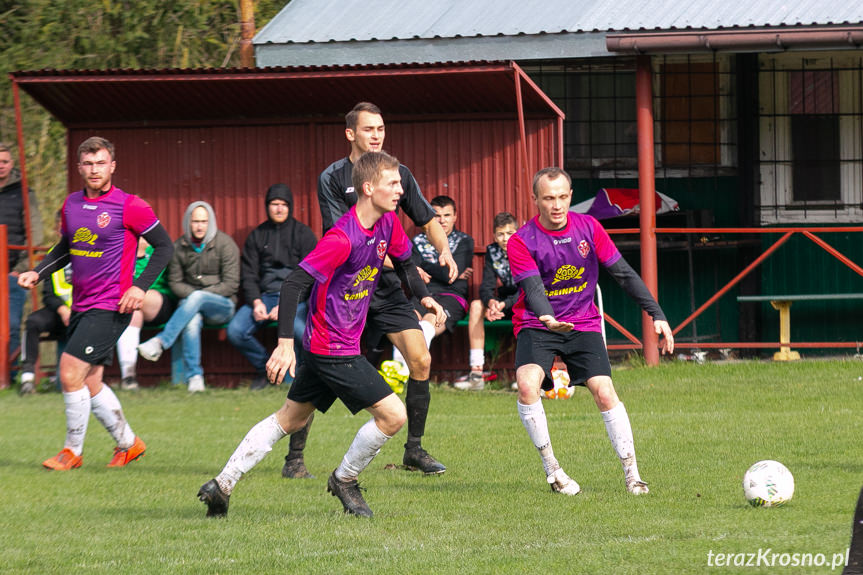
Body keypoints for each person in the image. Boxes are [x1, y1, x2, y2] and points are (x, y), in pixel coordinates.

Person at [197, 151, 445, 518]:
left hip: (327, 345)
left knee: (290, 418)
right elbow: (293, 283)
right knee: (392, 415)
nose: (400, 189)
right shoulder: (342, 237)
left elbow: (406, 263)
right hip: (333, 348)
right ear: (367, 187)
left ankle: (222, 484)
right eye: (393, 183)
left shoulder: (388, 225)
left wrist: (425, 297)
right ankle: (344, 480)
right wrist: (284, 345)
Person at [279, 101, 458, 478]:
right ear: (350, 134)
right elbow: (346, 244)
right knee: (318, 370)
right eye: (368, 129)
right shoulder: (332, 177)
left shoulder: (398, 174)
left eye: (380, 129)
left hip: (387, 289)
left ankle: (414, 450)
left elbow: (427, 220)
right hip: (344, 293)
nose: (376, 135)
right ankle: (294, 459)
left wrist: (443, 249)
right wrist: (401, 261)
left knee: (421, 359)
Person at [509, 167, 674, 496]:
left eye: (562, 197)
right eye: (548, 198)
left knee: (604, 391)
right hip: (537, 324)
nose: (556, 205)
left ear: (570, 196)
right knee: (527, 386)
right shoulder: (521, 240)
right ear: (536, 200)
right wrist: (546, 317)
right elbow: (534, 288)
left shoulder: (589, 228)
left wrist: (657, 314)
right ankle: (553, 471)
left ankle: (632, 475)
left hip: (583, 323)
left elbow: (623, 274)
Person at [17, 136, 173, 470]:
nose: (94, 170)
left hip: (112, 306)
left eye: (100, 163)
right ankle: (129, 444)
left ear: (112, 166)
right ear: (79, 168)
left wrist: (140, 287)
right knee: (89, 381)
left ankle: (71, 452)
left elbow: (164, 247)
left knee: (69, 371)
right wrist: (37, 272)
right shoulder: (72, 204)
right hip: (81, 305)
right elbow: (64, 250)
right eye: (88, 164)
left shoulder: (130, 205)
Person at [137, 201, 239, 392]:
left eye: (204, 221)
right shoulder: (179, 246)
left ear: (211, 223)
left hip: (222, 306)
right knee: (191, 320)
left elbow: (231, 284)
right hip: (191, 308)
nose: (199, 226)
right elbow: (174, 282)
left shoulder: (225, 244)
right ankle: (195, 377)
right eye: (195, 221)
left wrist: (199, 296)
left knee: (196, 299)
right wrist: (194, 298)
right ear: (188, 223)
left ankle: (160, 342)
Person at [227, 183, 317, 391]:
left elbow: (311, 276)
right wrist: (256, 302)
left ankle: (301, 378)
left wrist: (287, 306)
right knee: (235, 330)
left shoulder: (303, 235)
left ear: (290, 207)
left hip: (296, 299)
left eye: (283, 204)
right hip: (265, 298)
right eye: (274, 204)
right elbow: (248, 274)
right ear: (267, 206)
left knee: (302, 333)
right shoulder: (257, 236)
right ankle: (267, 370)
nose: (278, 208)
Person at [392, 195, 473, 371]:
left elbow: (448, 275)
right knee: (407, 319)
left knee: (429, 321)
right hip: (422, 292)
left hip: (452, 295)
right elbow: (415, 269)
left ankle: (411, 372)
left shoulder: (464, 241)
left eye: (447, 215)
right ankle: (397, 373)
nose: (442, 220)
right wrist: (416, 267)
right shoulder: (417, 242)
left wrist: (419, 265)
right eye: (437, 216)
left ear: (455, 216)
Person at [455, 211, 519, 391]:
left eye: (509, 233)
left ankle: (525, 375)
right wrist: (491, 303)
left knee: (531, 307)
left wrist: (503, 304)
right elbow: (487, 285)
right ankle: (476, 374)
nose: (505, 238)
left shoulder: (526, 249)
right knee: (476, 305)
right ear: (494, 235)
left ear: (517, 233)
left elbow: (527, 289)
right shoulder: (493, 251)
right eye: (500, 234)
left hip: (523, 300)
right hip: (504, 301)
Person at [0, 142, 44, 371]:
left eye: (4, 161)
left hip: (12, 271)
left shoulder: (25, 193)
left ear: (12, 164)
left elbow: (35, 231)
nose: (1, 166)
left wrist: (24, 266)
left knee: (11, 325)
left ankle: (11, 372)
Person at [114, 237, 176, 390]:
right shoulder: (123, 251)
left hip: (159, 303)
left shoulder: (159, 249)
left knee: (134, 299)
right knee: (133, 314)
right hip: (132, 307)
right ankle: (128, 376)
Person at [18, 210, 70, 395]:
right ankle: (27, 378)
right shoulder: (53, 255)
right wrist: (63, 309)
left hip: (85, 313)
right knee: (33, 321)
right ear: (57, 232)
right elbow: (48, 294)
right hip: (59, 313)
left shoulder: (92, 253)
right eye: (63, 229)